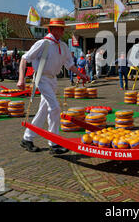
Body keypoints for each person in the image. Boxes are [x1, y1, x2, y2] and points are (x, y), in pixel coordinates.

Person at [18, 18, 88, 155]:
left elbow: (70, 65)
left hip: (53, 80)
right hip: (42, 77)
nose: (62, 31)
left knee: (44, 111)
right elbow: (24, 59)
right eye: (60, 28)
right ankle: (54, 143)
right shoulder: (43, 43)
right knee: (55, 108)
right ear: (52, 29)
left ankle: (27, 138)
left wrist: (81, 75)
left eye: (63, 28)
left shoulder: (63, 46)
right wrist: (21, 79)